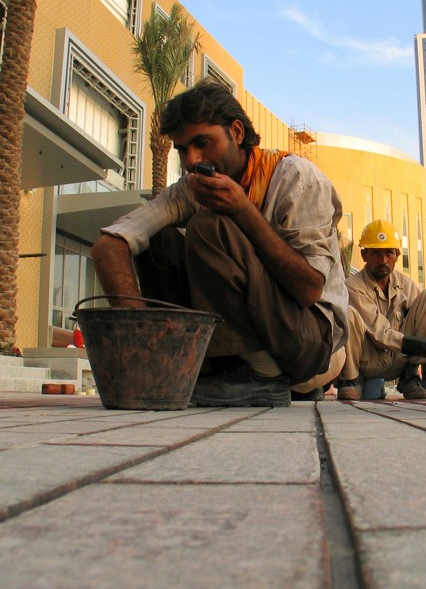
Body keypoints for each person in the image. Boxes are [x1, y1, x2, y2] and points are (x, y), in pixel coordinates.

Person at [91, 81, 348, 407]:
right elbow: (111, 243)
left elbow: (309, 289)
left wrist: (242, 209)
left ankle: (264, 377)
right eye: (182, 149)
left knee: (211, 226)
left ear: (236, 132)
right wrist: (140, 336)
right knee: (159, 240)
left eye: (203, 143)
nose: (191, 160)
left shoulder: (297, 180)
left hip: (310, 339)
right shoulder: (190, 188)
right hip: (251, 336)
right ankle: (188, 365)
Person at [335, 219, 426, 400]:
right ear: (364, 255)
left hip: (399, 360)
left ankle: (410, 376)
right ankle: (351, 380)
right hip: (367, 360)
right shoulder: (353, 286)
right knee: (349, 314)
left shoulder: (406, 285)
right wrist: (420, 346)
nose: (383, 260)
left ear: (397, 255)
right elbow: (379, 332)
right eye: (376, 253)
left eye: (389, 253)